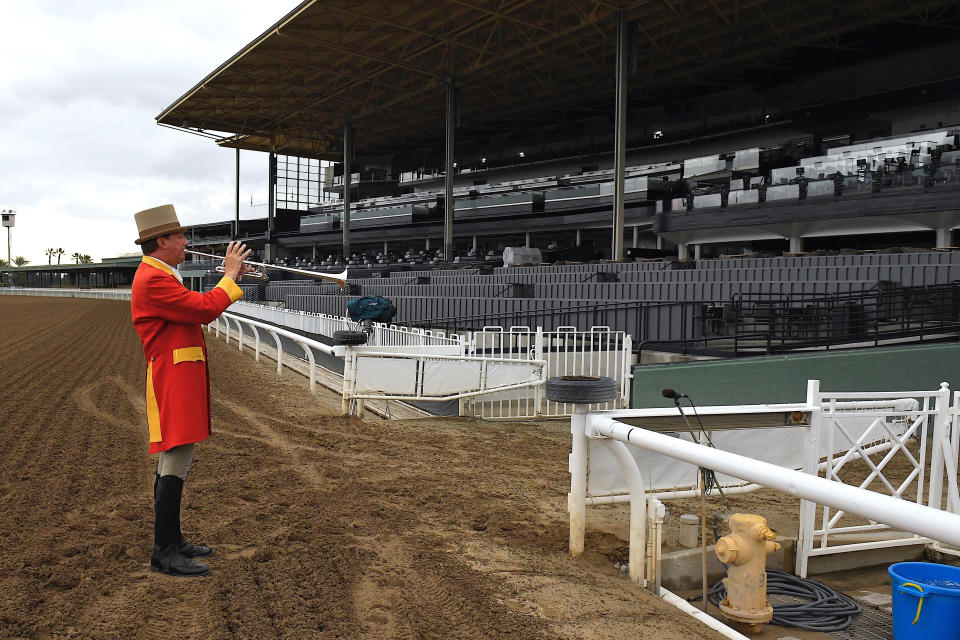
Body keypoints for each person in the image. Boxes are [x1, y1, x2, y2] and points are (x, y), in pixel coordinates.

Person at [130, 204, 252, 577]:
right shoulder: (153, 278)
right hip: (173, 375)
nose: (187, 242)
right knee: (176, 457)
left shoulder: (161, 273)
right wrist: (230, 275)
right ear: (162, 241)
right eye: (181, 236)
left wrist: (231, 278)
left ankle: (172, 541)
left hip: (178, 373)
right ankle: (165, 550)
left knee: (176, 457)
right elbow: (201, 309)